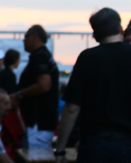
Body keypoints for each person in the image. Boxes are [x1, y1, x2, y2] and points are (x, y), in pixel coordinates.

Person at [55, 8, 131, 163]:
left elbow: (71, 108)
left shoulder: (87, 58)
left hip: (94, 145)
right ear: (120, 28)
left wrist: (60, 149)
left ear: (95, 34)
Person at [10, 25, 58, 149]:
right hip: (41, 123)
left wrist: (19, 95)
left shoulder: (39, 56)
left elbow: (44, 85)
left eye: (26, 36)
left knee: (35, 157)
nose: (23, 40)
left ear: (34, 37)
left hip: (38, 123)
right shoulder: (44, 56)